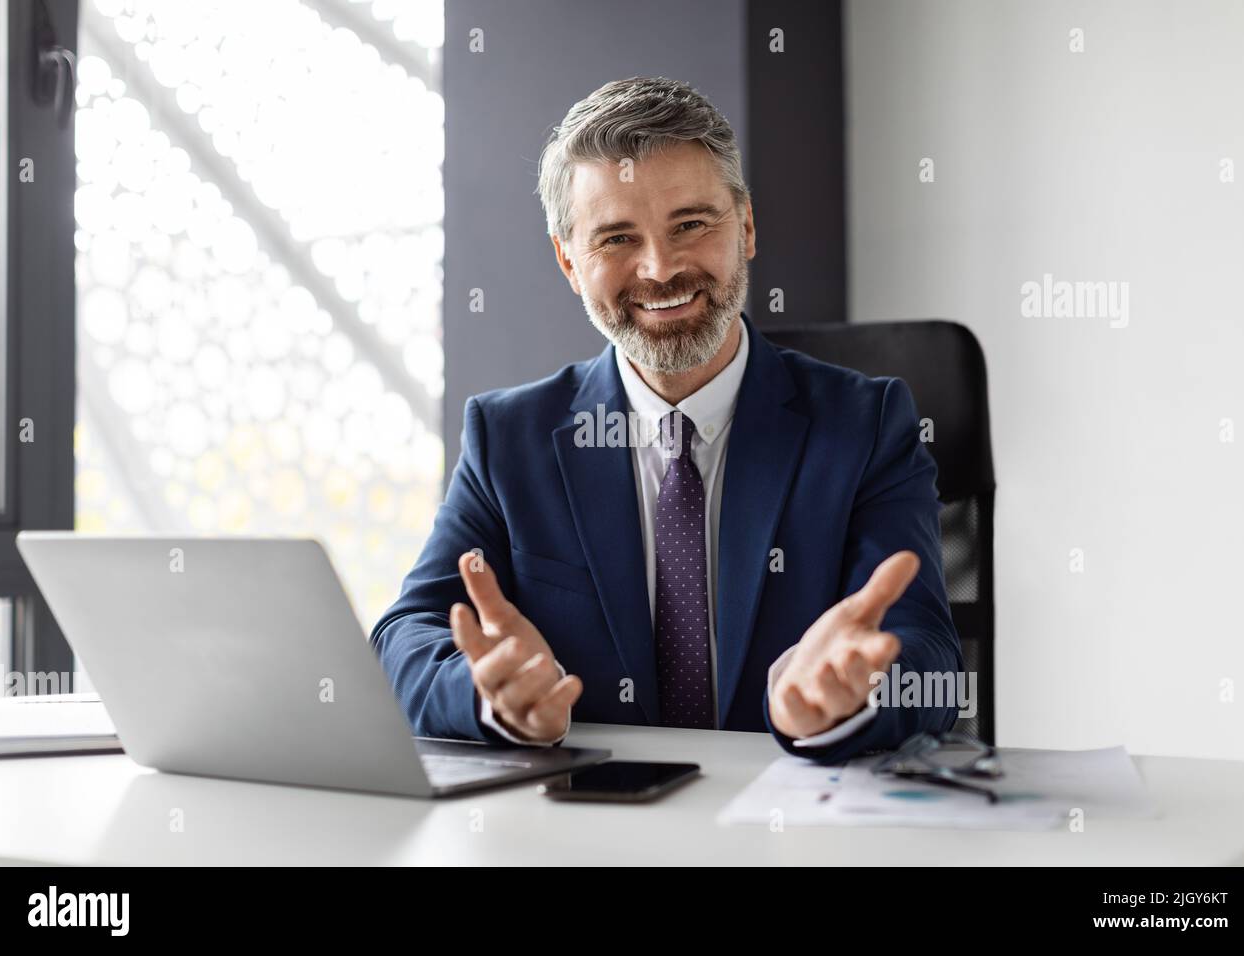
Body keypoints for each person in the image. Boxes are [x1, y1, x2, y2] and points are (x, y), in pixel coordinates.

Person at [371, 76, 962, 764]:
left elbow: (928, 657)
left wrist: (852, 697)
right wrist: (484, 693)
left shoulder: (867, 425)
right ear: (569, 261)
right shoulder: (510, 440)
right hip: (590, 829)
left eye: (691, 224)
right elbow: (405, 635)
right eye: (617, 238)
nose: (661, 269)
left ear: (745, 227)